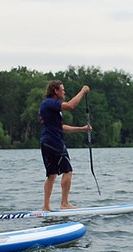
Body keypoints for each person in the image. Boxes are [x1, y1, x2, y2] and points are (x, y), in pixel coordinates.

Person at [39, 80, 91, 211]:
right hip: (54, 142)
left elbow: (61, 127)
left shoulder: (50, 107)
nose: (64, 92)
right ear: (55, 91)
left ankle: (46, 207)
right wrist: (82, 91)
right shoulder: (50, 102)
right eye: (62, 90)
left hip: (47, 142)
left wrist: (81, 129)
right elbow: (70, 106)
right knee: (67, 171)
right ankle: (64, 203)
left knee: (51, 175)